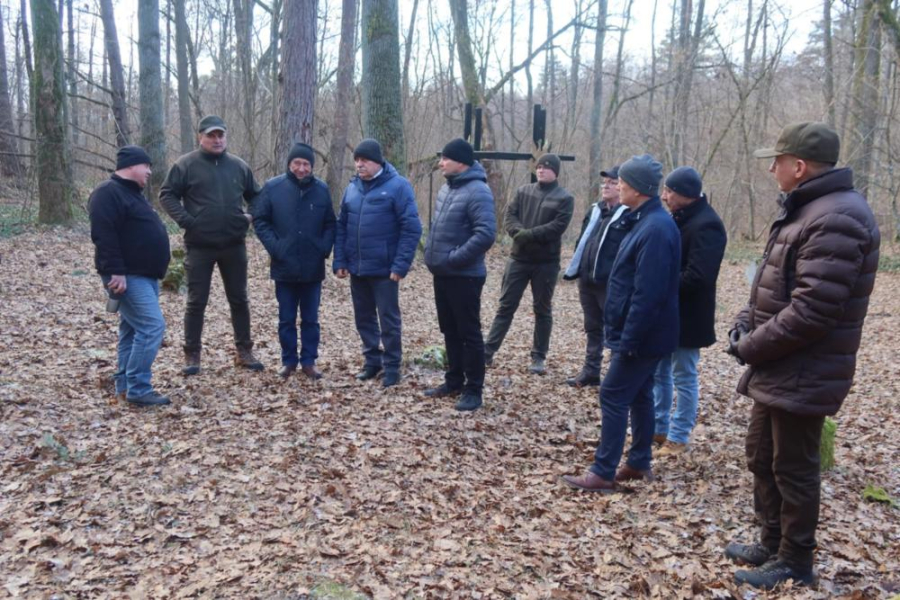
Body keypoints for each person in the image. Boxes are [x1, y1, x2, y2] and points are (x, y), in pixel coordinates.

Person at [724, 122, 880, 590]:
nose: (771, 168)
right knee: (762, 455)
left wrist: (749, 345)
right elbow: (770, 285)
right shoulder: (807, 208)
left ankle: (795, 560)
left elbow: (812, 311)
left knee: (793, 468)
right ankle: (771, 543)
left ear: (799, 166)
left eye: (776, 161)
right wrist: (742, 320)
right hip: (779, 364)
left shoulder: (837, 217)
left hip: (805, 369)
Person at [561, 154, 680, 493]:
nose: (619, 186)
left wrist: (628, 340)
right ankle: (640, 462)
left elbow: (648, 293)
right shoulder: (642, 219)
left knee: (613, 393)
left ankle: (602, 471)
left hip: (644, 335)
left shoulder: (656, 228)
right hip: (642, 333)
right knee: (640, 393)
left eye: (624, 182)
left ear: (639, 189)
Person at [160, 115, 263, 375]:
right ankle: (192, 355)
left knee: (239, 299)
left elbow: (257, 197)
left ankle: (244, 351)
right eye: (211, 135)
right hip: (200, 245)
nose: (217, 140)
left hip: (233, 244)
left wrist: (248, 217)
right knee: (196, 302)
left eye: (221, 135)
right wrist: (187, 220)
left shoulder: (239, 166)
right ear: (200, 137)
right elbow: (167, 194)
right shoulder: (185, 165)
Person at [333, 139, 422, 388]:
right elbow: (342, 226)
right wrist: (340, 260)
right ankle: (372, 362)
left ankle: (392, 366)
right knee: (364, 318)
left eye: (365, 160)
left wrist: (400, 265)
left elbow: (412, 228)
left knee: (388, 319)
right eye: (357, 160)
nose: (359, 164)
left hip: (385, 269)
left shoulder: (398, 186)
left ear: (378, 161)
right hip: (357, 267)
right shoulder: (352, 188)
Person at [652, 167, 727, 455]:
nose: (664, 196)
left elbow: (699, 276)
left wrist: (659, 284)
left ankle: (679, 435)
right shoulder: (679, 218)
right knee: (660, 372)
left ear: (685, 195)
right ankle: (659, 428)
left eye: (669, 191)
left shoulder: (708, 225)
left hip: (689, 316)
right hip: (667, 313)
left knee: (683, 375)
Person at [89, 145, 171, 406]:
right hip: (128, 277)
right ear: (132, 165)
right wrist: (116, 271)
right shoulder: (107, 193)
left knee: (131, 331)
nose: (149, 171)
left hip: (144, 276)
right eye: (146, 166)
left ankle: (125, 386)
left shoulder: (133, 194)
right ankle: (138, 387)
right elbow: (104, 234)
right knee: (151, 326)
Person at [423, 138, 497, 411]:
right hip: (443, 274)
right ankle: (453, 380)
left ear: (461, 162)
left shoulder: (478, 191)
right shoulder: (447, 188)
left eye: (446, 158)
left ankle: (474, 390)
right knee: (450, 331)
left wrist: (454, 258)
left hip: (465, 275)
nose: (441, 162)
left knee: (468, 333)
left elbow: (486, 234)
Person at [483, 154, 573, 374]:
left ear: (556, 172)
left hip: (546, 263)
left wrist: (528, 234)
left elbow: (557, 226)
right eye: (539, 166)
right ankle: (487, 352)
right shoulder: (523, 191)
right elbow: (509, 216)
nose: (541, 170)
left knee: (542, 310)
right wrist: (517, 233)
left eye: (547, 167)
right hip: (518, 260)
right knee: (506, 307)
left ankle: (539, 357)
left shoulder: (564, 198)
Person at [253, 143, 336, 380]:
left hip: (313, 267)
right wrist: (276, 247)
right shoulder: (273, 188)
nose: (301, 168)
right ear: (289, 164)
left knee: (311, 319)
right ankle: (288, 361)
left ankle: (309, 361)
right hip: (284, 266)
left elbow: (331, 223)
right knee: (286, 318)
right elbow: (261, 221)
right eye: (297, 163)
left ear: (312, 166)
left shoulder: (321, 190)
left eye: (306, 164)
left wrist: (323, 248)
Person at [563, 165, 629, 387]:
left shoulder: (627, 215)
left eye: (612, 183)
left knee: (613, 328)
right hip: (587, 278)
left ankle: (616, 375)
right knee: (592, 327)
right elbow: (583, 240)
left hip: (610, 282)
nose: (606, 186)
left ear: (623, 187)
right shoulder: (595, 210)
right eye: (605, 183)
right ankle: (591, 371)